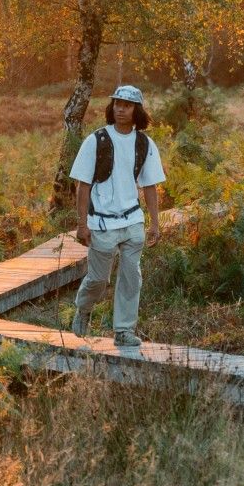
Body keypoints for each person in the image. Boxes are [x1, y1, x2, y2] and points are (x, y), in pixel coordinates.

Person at [68, 84, 166, 351]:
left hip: (133, 221)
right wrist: (82, 224)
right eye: (117, 104)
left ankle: (124, 330)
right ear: (112, 107)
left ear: (137, 110)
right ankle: (83, 308)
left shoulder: (144, 143)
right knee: (99, 280)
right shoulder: (96, 140)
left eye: (127, 105)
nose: (120, 108)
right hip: (102, 222)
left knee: (131, 276)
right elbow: (83, 185)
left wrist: (155, 223)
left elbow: (150, 186)